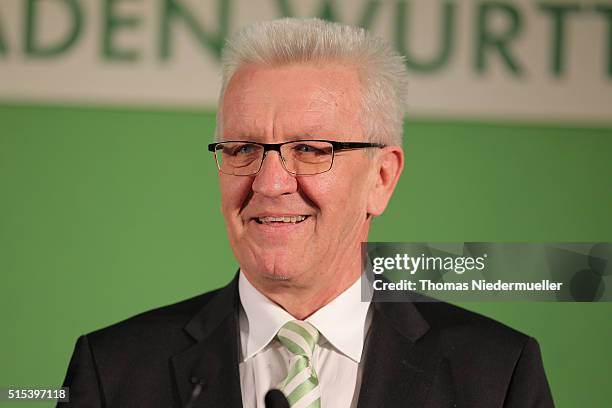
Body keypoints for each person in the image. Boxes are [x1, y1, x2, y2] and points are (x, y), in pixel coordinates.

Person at [59, 18, 554, 408]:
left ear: (381, 178)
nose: (270, 183)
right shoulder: (114, 371)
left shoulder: (496, 375)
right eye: (242, 149)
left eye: (313, 150)